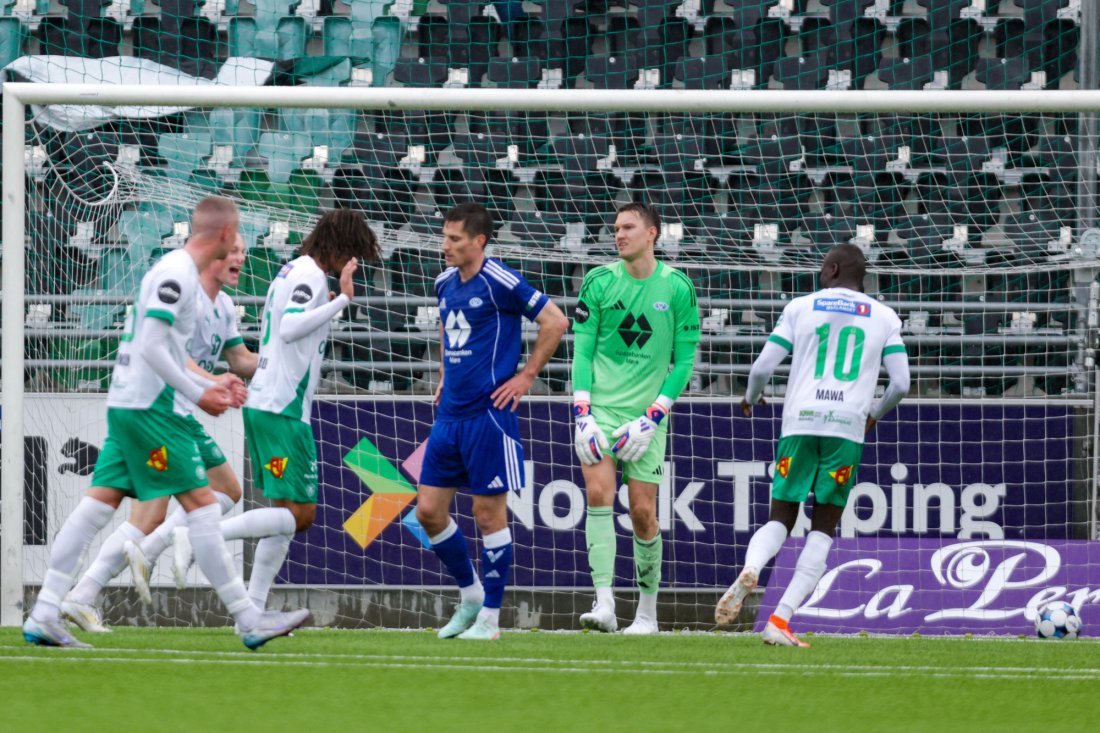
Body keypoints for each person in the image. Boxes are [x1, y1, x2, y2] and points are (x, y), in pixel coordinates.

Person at [22, 196, 310, 649]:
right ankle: (247, 617)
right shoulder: (176, 273)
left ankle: (47, 610)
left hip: (135, 406)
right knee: (202, 507)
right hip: (154, 409)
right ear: (222, 235)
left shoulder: (193, 285)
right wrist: (200, 392)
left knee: (97, 507)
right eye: (236, 240)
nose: (240, 251)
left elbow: (188, 352)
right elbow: (153, 347)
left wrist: (222, 382)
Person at [174, 208, 382, 614]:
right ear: (340, 247)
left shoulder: (291, 271)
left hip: (269, 404)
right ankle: (203, 534)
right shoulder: (309, 276)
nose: (353, 264)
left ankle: (252, 607)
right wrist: (341, 299)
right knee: (301, 516)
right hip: (281, 409)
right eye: (353, 254)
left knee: (284, 515)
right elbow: (290, 327)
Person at [715, 243, 910, 647]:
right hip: (846, 430)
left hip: (800, 423)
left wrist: (750, 398)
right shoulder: (885, 317)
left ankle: (752, 567)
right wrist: (874, 413)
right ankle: (780, 620)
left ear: (832, 269)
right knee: (822, 530)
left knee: (779, 519)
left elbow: (762, 367)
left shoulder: (800, 307)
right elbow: (901, 384)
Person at [59, 233, 256, 632]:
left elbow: (240, 359)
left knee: (178, 507)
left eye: (243, 252)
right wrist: (207, 384)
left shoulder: (224, 305)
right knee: (176, 508)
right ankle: (80, 590)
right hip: (161, 412)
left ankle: (79, 594)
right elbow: (166, 348)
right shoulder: (186, 294)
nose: (239, 258)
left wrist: (282, 357)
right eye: (232, 250)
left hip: (174, 412)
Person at [415, 202, 569, 641]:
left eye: (455, 239)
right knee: (428, 511)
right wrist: (446, 373)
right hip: (450, 417)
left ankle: (491, 619)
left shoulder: (500, 279)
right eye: (444, 237)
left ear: (479, 241)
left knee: (488, 516)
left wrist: (526, 376)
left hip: (489, 416)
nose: (445, 246)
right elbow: (447, 327)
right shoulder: (444, 282)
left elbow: (555, 321)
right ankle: (470, 597)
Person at [571, 202, 700, 635]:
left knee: (643, 511)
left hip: (647, 416)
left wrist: (653, 417)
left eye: (628, 227)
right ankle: (604, 603)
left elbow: (683, 362)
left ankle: (647, 614)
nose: (619, 234)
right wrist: (582, 413)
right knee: (599, 494)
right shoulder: (598, 282)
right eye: (615, 228)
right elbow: (583, 352)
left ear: (653, 234)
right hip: (602, 411)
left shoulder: (678, 288)